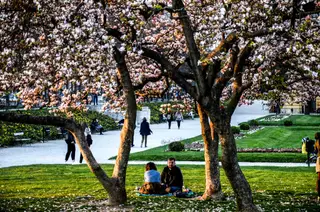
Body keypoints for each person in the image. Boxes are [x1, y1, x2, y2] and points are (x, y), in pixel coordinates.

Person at [314, 132, 320, 201]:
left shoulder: (317, 142)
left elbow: (315, 151)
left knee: (319, 178)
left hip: (319, 159)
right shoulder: (317, 142)